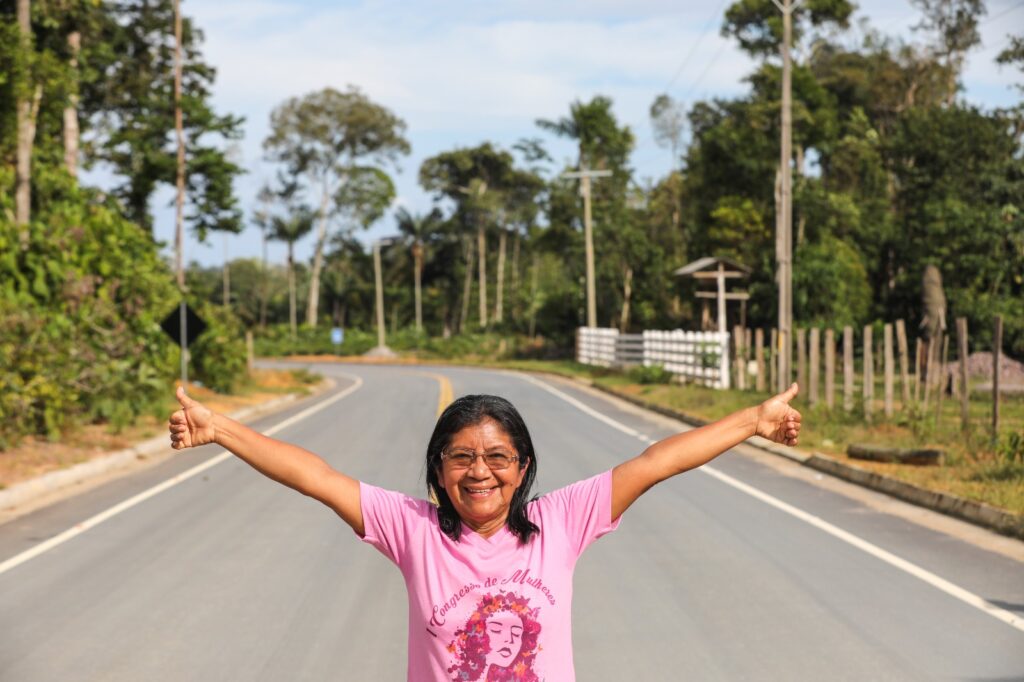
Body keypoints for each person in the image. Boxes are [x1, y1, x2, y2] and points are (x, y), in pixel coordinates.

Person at [168, 380, 801, 681]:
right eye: (461, 457)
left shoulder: (560, 522)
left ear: (522, 467)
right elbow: (316, 476)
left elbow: (656, 462)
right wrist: (220, 429)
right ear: (438, 469)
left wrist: (751, 419)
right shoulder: (412, 529)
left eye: (497, 457)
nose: (480, 473)